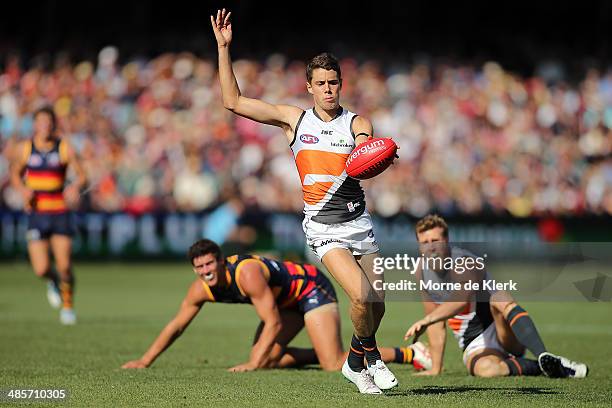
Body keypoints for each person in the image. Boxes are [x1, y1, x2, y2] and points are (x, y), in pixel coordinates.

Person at [211, 8, 398, 394]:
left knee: (377, 303)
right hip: (324, 227)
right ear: (309, 86)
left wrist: (372, 153)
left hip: (359, 224)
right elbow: (233, 101)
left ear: (341, 84)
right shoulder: (294, 120)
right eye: (321, 83)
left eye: (334, 82)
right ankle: (368, 362)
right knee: (360, 296)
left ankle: (358, 359)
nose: (329, 89)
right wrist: (224, 48)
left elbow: (366, 147)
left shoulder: (357, 123)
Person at [122, 239, 431, 372]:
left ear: (220, 260)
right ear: (195, 270)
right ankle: (321, 351)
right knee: (269, 357)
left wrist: (254, 364)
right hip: (286, 304)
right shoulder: (200, 289)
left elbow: (272, 322)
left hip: (310, 288)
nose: (206, 272)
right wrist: (145, 360)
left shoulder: (247, 274)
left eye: (209, 264)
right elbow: (177, 326)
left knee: (333, 364)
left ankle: (409, 354)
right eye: (200, 268)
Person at [403, 214, 589, 378]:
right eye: (425, 243)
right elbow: (435, 324)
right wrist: (436, 367)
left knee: (498, 298)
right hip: (474, 342)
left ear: (447, 240)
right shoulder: (421, 271)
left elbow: (460, 300)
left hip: (504, 329)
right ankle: (547, 367)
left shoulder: (465, 262)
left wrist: (427, 319)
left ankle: (542, 354)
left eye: (435, 241)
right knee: (487, 370)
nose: (431, 248)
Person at [9, 106, 86, 325]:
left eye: (49, 121)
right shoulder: (26, 148)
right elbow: (15, 173)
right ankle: (53, 282)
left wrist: (74, 187)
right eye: (41, 121)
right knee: (41, 268)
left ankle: (68, 307)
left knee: (64, 264)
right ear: (34, 124)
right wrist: (23, 190)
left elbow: (82, 176)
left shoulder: (64, 147)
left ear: (54, 124)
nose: (45, 125)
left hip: (60, 211)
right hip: (37, 213)